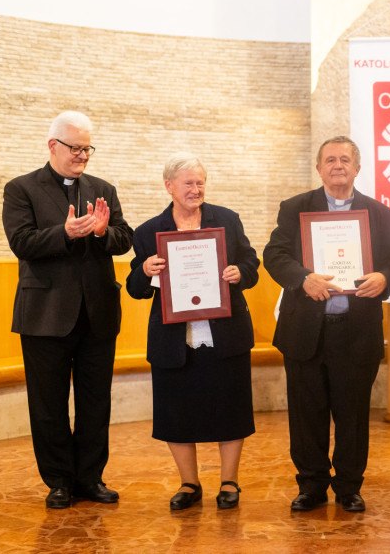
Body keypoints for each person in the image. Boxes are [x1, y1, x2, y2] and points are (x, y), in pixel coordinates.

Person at [263, 136, 390, 512]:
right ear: (319, 168)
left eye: (345, 159)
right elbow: (274, 254)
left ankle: (348, 487)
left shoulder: (380, 213)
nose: (337, 165)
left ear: (357, 168)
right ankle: (311, 486)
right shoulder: (295, 208)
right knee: (306, 414)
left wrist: (383, 278)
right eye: (330, 160)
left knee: (352, 414)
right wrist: (303, 278)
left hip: (356, 331)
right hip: (306, 330)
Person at [2, 111, 133, 509]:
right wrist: (65, 232)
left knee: (96, 402)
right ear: (52, 146)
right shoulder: (21, 189)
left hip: (97, 314)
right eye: (75, 148)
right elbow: (21, 242)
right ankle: (59, 481)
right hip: (45, 314)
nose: (82, 156)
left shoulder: (103, 189)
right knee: (48, 405)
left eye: (87, 148)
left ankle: (90, 478)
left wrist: (102, 232)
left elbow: (124, 238)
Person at [126, 152, 260, 510]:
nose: (196, 189)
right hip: (174, 340)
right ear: (169, 186)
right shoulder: (148, 232)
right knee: (176, 412)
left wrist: (241, 273)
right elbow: (135, 287)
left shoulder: (227, 220)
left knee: (230, 408)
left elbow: (251, 263)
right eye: (188, 183)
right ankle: (189, 483)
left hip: (225, 334)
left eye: (201, 183)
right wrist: (146, 271)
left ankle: (229, 481)